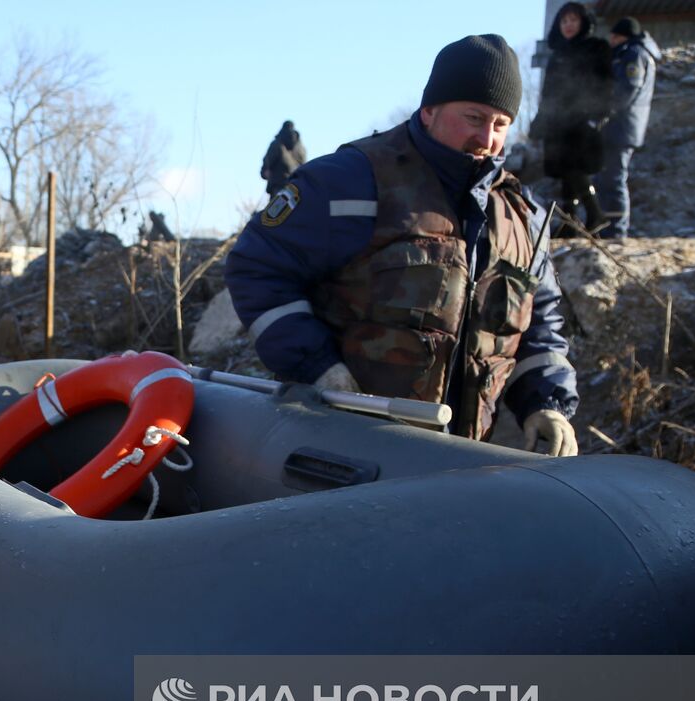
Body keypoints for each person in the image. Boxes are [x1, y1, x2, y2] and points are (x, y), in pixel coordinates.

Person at [225, 34, 579, 456]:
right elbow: (257, 267)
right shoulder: (349, 181)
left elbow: (540, 323)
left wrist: (546, 403)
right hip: (344, 449)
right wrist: (319, 370)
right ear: (429, 110)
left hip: (462, 461)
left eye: (500, 124)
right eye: (473, 117)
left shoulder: (522, 217)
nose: (487, 137)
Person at [535, 2, 612, 234]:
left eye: (573, 20)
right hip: (558, 121)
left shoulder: (596, 48)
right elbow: (548, 91)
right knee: (564, 170)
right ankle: (571, 221)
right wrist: (540, 119)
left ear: (583, 22)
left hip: (584, 118)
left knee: (576, 167)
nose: (568, 25)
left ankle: (595, 213)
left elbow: (606, 84)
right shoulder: (556, 54)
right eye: (564, 21)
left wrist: (598, 114)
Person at [598, 17, 660, 241]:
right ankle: (608, 227)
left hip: (622, 126)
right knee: (608, 177)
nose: (611, 40)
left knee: (614, 178)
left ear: (624, 35)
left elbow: (628, 89)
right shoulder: (634, 53)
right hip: (623, 126)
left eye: (614, 36)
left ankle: (616, 230)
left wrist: (606, 112)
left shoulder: (633, 54)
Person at [260, 120, 307, 196]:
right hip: (297, 188)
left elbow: (268, 163)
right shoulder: (301, 148)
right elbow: (304, 165)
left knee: (277, 207)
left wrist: (264, 172)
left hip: (278, 186)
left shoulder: (277, 144)